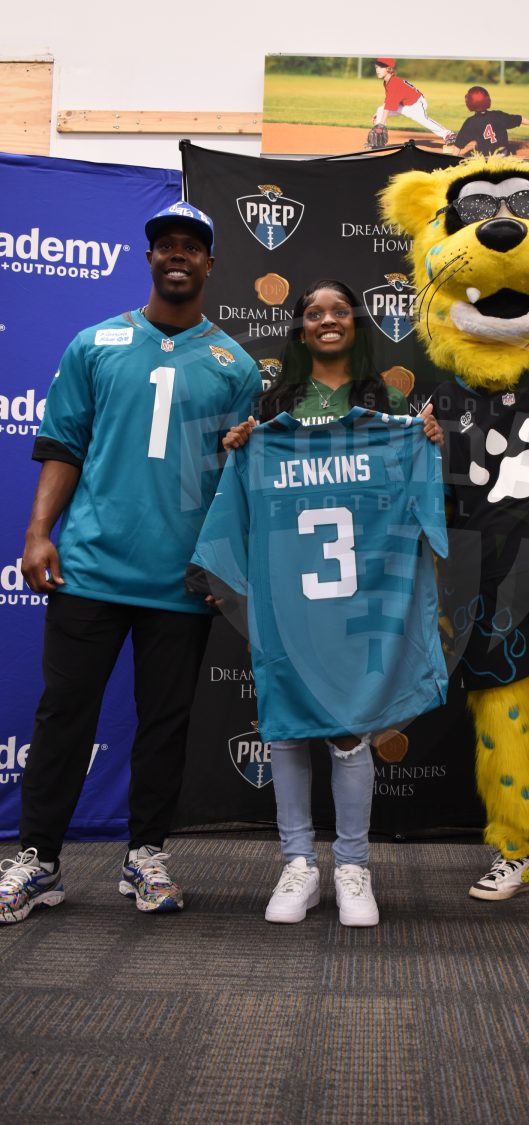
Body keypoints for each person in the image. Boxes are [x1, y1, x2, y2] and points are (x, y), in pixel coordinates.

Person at [0, 201, 262, 924]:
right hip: (88, 567)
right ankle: (38, 859)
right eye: (165, 245)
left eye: (191, 247)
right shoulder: (96, 343)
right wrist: (37, 532)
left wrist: (222, 564)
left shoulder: (234, 365)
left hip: (179, 581)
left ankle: (146, 854)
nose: (177, 256)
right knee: (62, 716)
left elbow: (233, 481)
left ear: (210, 264)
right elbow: (63, 445)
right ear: (149, 258)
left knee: (164, 723)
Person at [202, 280, 444, 928]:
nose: (328, 319)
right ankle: (298, 862)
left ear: (354, 324)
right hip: (290, 585)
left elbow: (415, 483)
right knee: (284, 718)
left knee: (348, 721)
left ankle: (353, 864)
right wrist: (237, 447)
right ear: (301, 328)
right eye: (315, 313)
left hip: (360, 586)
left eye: (339, 310)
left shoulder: (385, 400)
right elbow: (246, 489)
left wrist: (428, 440)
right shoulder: (273, 404)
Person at [446, 86, 529, 158]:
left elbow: (458, 146)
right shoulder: (498, 115)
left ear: (469, 103)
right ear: (487, 100)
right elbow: (520, 119)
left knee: (465, 153)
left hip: (484, 158)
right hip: (502, 155)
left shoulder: (470, 122)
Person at [370, 58, 456, 146]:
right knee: (380, 110)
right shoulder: (387, 81)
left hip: (416, 103)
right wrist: (378, 115)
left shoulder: (394, 83)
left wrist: (381, 124)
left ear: (389, 68)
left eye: (380, 67)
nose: (377, 70)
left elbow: (389, 106)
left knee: (423, 120)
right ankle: (379, 140)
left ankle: (448, 134)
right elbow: (388, 100)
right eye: (376, 67)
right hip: (404, 104)